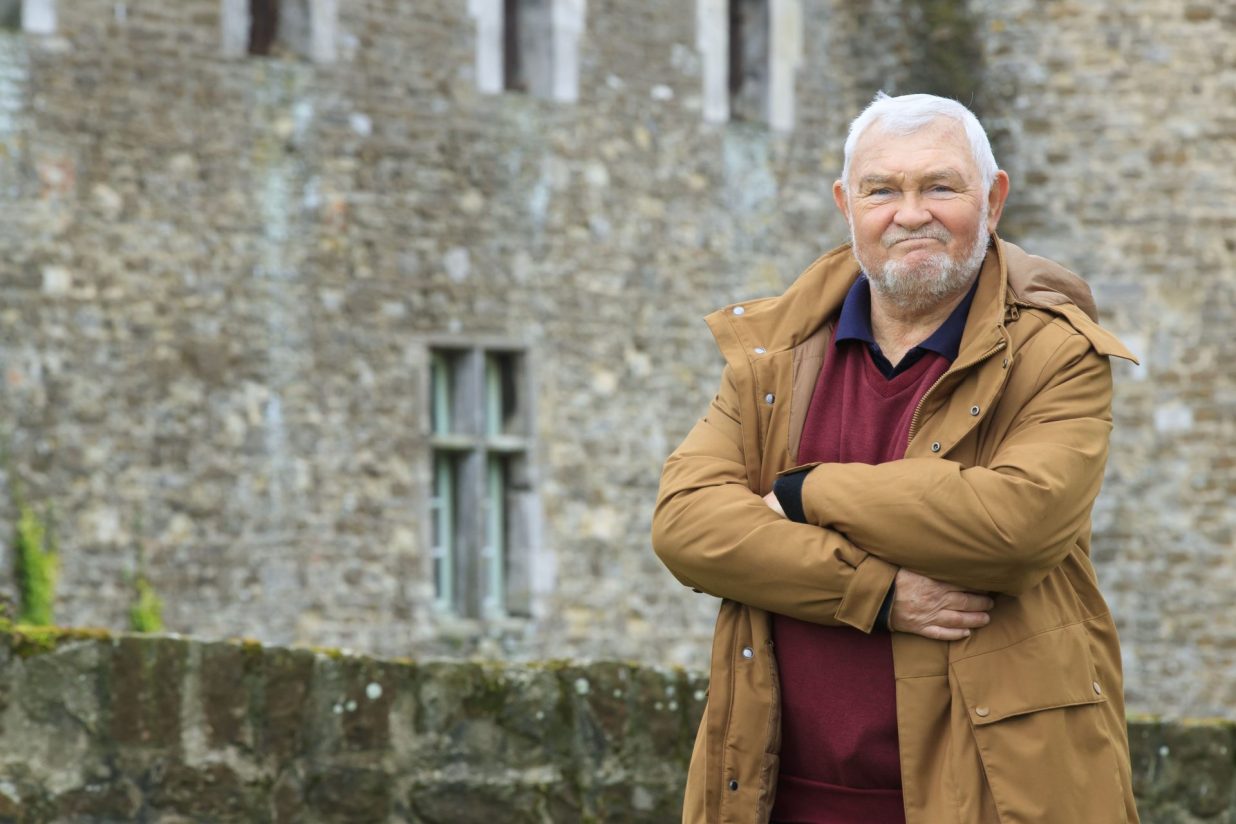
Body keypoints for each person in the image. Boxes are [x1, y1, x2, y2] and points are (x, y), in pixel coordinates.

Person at [651, 92, 1141, 824]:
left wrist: (803, 493)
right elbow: (687, 527)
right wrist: (873, 593)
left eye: (941, 186)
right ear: (848, 205)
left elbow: (1015, 529)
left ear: (994, 198)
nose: (911, 213)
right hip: (775, 794)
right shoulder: (773, 356)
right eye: (884, 190)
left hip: (995, 793)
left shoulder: (1054, 352)